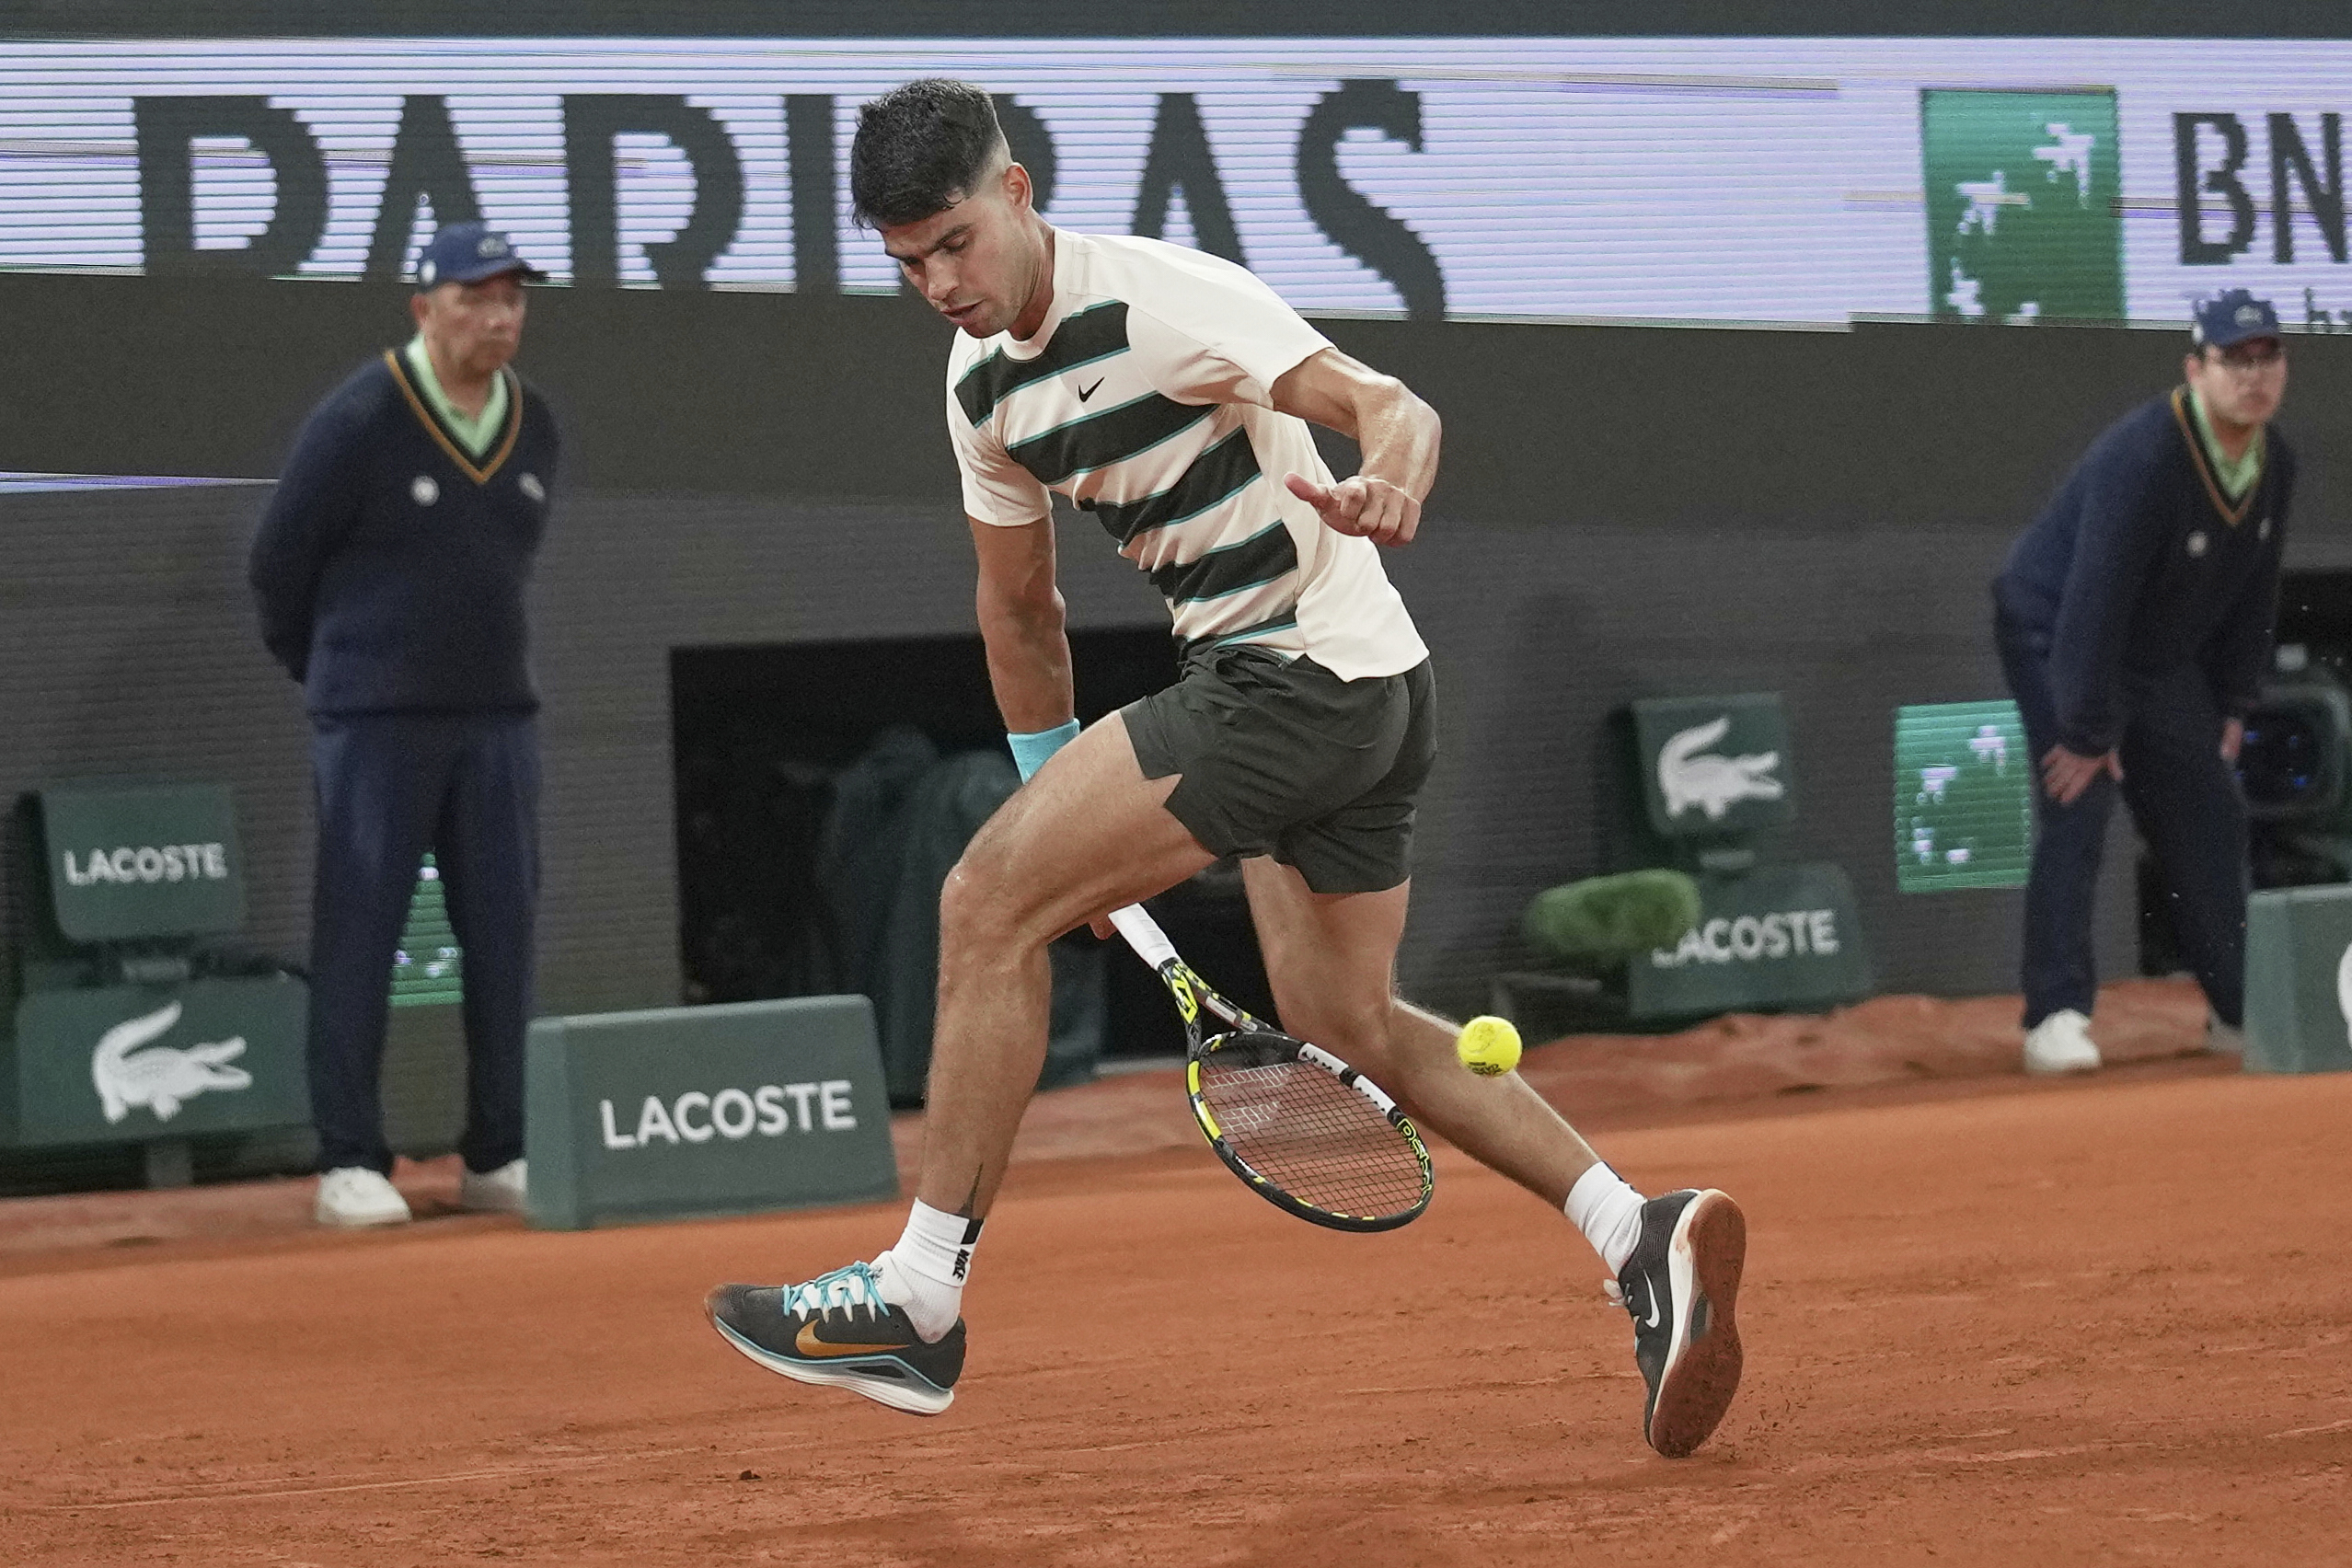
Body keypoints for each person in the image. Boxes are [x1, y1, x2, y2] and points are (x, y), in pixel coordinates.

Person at [705, 80, 1747, 1458]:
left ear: (1016, 193)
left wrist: (1389, 479)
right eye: (909, 264)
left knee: (979, 904)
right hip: (1369, 693)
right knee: (1348, 1021)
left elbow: (1389, 405)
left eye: (955, 242)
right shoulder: (979, 392)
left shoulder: (1163, 300)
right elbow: (1020, 613)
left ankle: (916, 1296)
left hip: (1292, 683)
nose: (941, 283)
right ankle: (1638, 1229)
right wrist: (1049, 795)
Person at [248, 222, 559, 1227]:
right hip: (374, 725)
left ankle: (499, 1150)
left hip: (497, 720)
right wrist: (335, 675)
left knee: (502, 938)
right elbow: (278, 563)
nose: (499, 316)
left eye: (512, 297)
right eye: (477, 297)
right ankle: (348, 1159)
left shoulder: (536, 424)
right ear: (426, 308)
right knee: (360, 932)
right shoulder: (359, 418)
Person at [1992, 289, 2292, 1076]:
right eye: (2235, 360)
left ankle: (2238, 1009)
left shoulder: (2276, 462)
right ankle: (2054, 1016)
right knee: (2078, 798)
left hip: (2152, 654)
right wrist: (2089, 731)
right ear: (2196, 369)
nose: (2254, 376)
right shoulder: (2147, 455)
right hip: (2053, 626)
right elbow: (2094, 596)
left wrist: (2232, 701)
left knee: (2210, 811)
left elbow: (2254, 593)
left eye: (2268, 358)